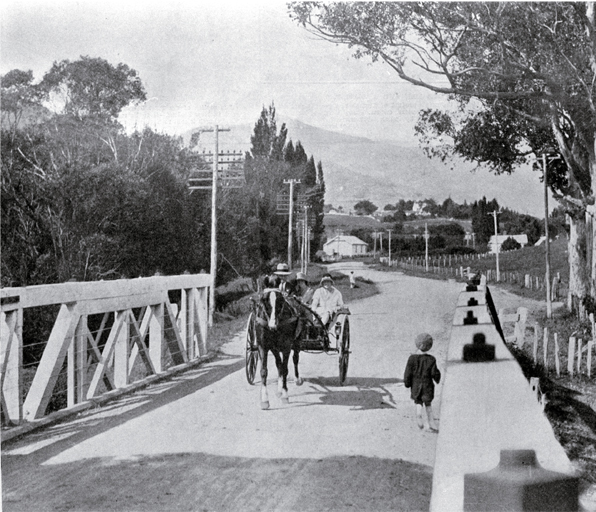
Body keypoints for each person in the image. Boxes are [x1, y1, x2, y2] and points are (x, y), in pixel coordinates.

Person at [404, 333, 441, 433]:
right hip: (427, 386)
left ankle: (419, 415)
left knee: (418, 401)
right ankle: (431, 422)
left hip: (416, 386)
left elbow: (408, 373)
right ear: (429, 346)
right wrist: (437, 378)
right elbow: (434, 373)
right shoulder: (431, 359)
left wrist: (407, 383)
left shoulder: (412, 358)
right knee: (428, 404)